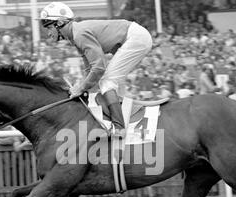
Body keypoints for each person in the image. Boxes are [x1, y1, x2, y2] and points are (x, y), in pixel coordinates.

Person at [39, 1, 153, 137]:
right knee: (108, 82)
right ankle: (125, 120)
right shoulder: (76, 35)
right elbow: (89, 69)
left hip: (135, 37)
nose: (48, 34)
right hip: (136, 36)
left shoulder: (79, 34)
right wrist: (80, 88)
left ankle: (120, 128)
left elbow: (99, 67)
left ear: (59, 23)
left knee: (107, 82)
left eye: (49, 27)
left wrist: (81, 88)